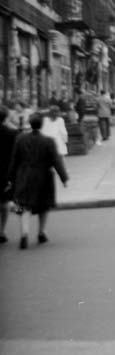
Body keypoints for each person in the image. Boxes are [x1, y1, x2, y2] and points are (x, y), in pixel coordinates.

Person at [7, 113, 69, 249]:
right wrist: (64, 178)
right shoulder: (49, 141)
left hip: (24, 175)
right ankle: (41, 232)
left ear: (30, 124)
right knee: (44, 205)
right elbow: (56, 161)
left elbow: (14, 160)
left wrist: (10, 177)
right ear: (41, 124)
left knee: (24, 206)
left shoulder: (20, 139)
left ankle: (24, 233)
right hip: (43, 175)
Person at [0, 107, 18, 244]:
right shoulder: (12, 133)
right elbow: (16, 155)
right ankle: (2, 230)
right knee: (4, 202)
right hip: (5, 171)